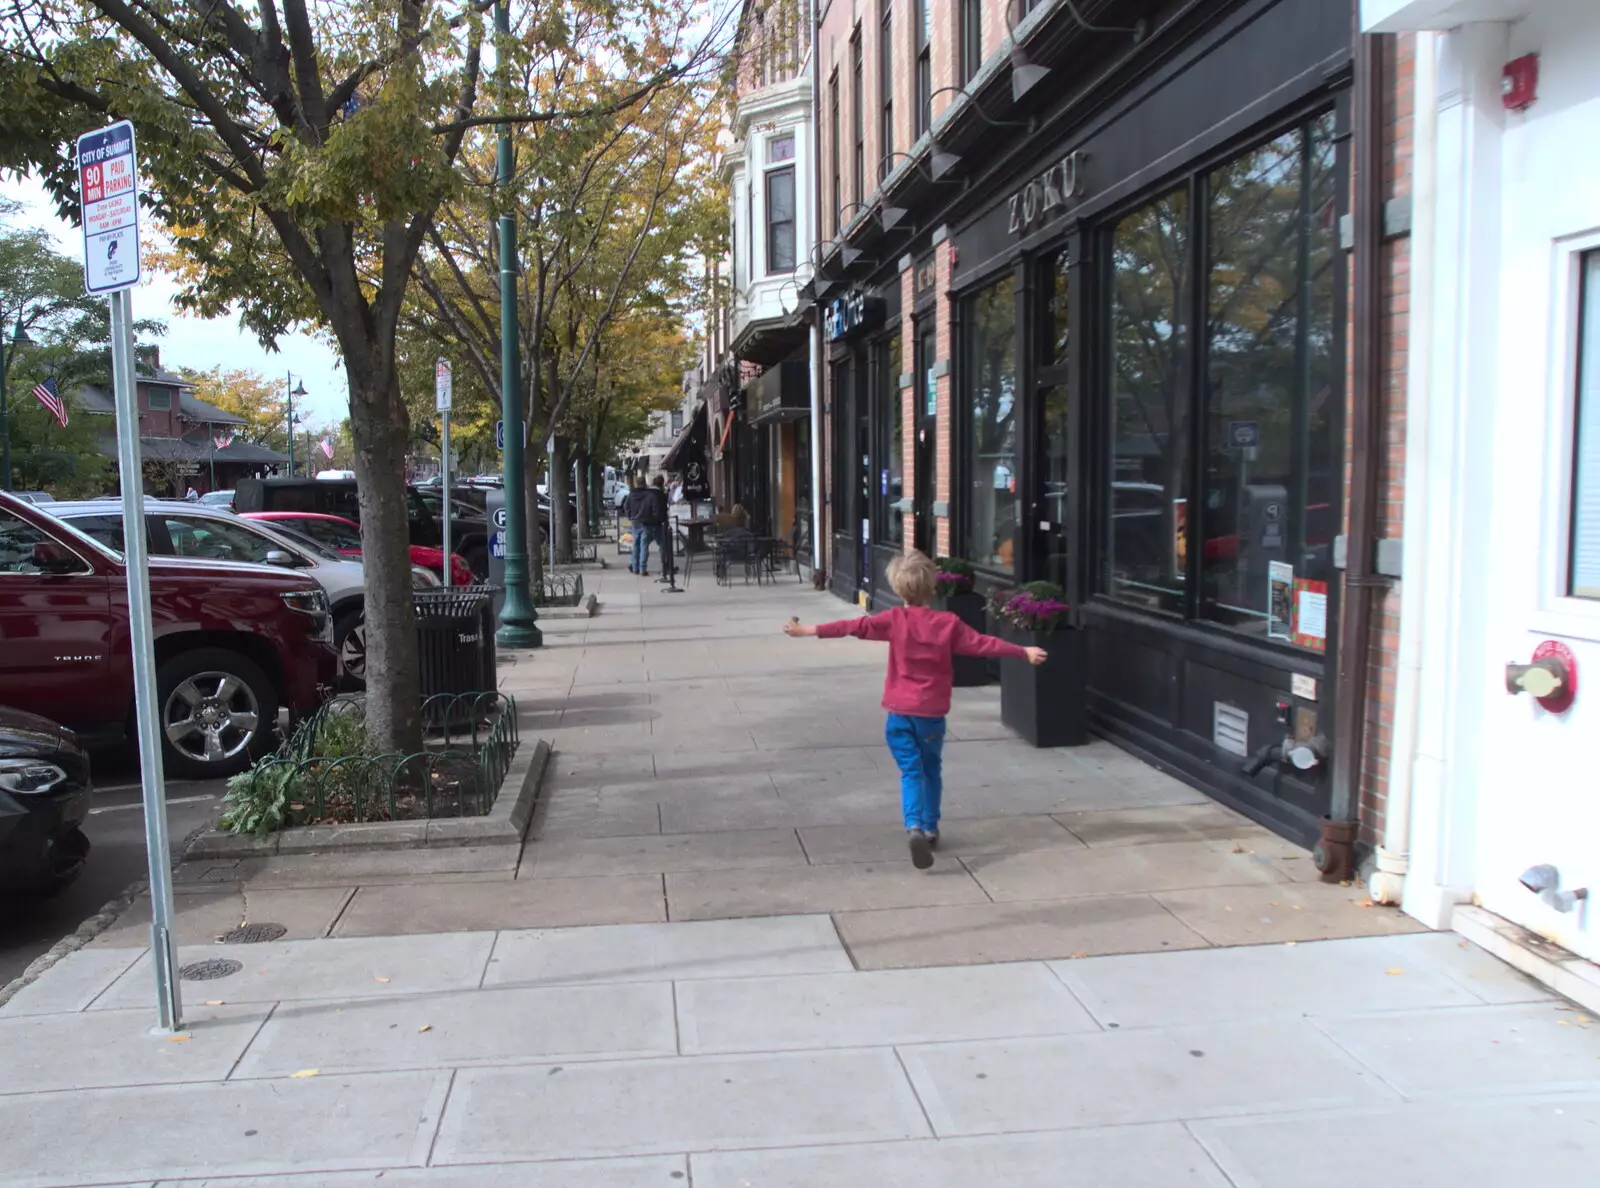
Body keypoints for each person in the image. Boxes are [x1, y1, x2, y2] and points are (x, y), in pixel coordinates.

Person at [783, 549, 1046, 870]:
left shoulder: (894, 621)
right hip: (931, 714)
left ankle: (914, 827)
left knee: (911, 771)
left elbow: (853, 625)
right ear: (932, 587)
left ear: (897, 588)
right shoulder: (948, 623)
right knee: (931, 768)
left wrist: (807, 630)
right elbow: (984, 644)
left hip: (899, 712)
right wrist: (1023, 651)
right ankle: (931, 827)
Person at [636, 474, 671, 577]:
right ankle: (665, 566)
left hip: (645, 523)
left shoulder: (645, 493)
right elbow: (663, 510)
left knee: (644, 545)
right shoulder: (660, 494)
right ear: (661, 484)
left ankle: (642, 568)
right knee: (662, 545)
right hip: (657, 524)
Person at [623, 475, 649, 574]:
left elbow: (626, 506)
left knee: (635, 545)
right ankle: (642, 568)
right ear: (645, 483)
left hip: (635, 521)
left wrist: (629, 516)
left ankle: (635, 567)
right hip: (646, 521)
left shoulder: (631, 495)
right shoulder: (648, 494)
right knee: (644, 545)